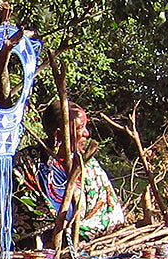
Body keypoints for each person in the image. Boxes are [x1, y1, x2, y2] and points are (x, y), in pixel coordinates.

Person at [22, 99, 127, 241]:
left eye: (86, 127)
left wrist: (75, 233)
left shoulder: (89, 165)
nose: (86, 133)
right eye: (80, 128)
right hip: (36, 250)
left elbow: (112, 215)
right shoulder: (28, 163)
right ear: (58, 135)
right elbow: (23, 219)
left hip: (87, 246)